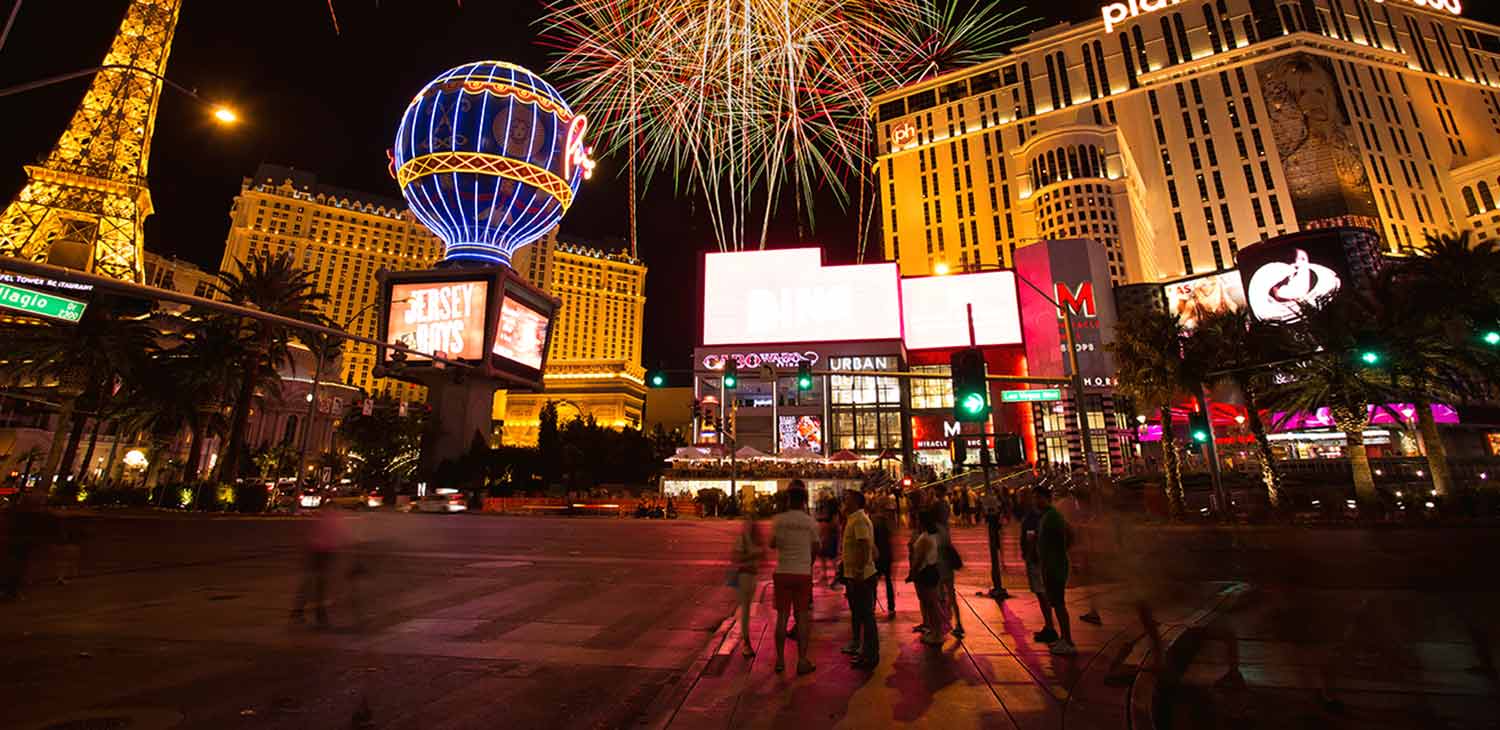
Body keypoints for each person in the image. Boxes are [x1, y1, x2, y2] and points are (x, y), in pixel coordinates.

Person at [770, 486, 818, 675]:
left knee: (782, 617)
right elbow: (815, 546)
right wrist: (808, 562)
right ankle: (802, 660)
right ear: (804, 501)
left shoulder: (779, 520)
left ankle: (780, 660)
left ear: (789, 500)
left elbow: (773, 543)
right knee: (802, 618)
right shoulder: (810, 522)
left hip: (783, 571)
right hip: (802, 573)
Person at [840, 490, 879, 669]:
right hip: (856, 574)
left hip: (861, 576)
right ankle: (863, 648)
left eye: (847, 499)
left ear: (855, 502)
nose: (844, 502)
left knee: (866, 615)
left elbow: (864, 546)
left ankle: (870, 654)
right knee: (860, 613)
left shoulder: (859, 520)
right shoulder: (854, 519)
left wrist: (858, 571)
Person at [291, 505, 349, 628]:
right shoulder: (335, 520)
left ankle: (300, 611)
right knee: (320, 584)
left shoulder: (323, 519)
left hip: (315, 552)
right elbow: (340, 537)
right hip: (324, 554)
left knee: (311, 583)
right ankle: (318, 614)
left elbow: (312, 536)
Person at [1035, 485, 1076, 655]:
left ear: (1046, 498)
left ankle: (1068, 641)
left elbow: (1069, 534)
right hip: (1052, 564)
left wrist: (1059, 551)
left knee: (1059, 604)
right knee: (1057, 603)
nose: (1035, 501)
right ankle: (1064, 639)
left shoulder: (1052, 516)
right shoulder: (1049, 516)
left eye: (1038, 498)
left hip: (1055, 566)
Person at [1020, 489, 1057, 644]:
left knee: (1043, 594)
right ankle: (1049, 627)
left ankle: (1051, 628)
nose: (1034, 500)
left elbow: (1031, 536)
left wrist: (1030, 553)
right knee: (1042, 594)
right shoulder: (1037, 515)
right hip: (1037, 558)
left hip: (1037, 559)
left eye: (1037, 498)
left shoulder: (1038, 516)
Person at [908, 507, 947, 646]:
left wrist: (913, 572)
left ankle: (937, 634)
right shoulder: (931, 535)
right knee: (931, 603)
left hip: (925, 572)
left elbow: (919, 558)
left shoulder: (924, 538)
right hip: (931, 570)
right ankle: (934, 631)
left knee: (931, 604)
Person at [731, 516, 764, 658]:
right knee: (745, 610)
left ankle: (746, 641)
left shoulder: (757, 540)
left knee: (747, 609)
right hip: (744, 577)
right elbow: (736, 558)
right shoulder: (743, 539)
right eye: (751, 524)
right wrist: (753, 555)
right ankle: (746, 643)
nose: (754, 527)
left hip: (753, 576)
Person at [980, 487, 1010, 600]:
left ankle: (1001, 563)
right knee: (998, 545)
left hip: (996, 526)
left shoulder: (998, 501)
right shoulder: (998, 501)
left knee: (998, 545)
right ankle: (1001, 562)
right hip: (996, 526)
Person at [871, 501, 896, 621]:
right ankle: (891, 607)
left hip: (877, 555)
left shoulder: (873, 520)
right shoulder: (887, 522)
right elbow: (891, 536)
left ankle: (872, 606)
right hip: (887, 554)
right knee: (888, 581)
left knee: (873, 582)